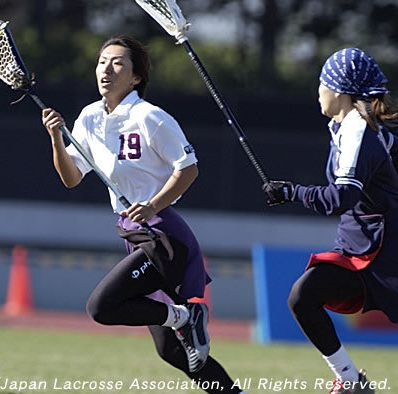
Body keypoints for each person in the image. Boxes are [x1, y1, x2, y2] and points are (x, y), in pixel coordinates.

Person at [42, 35, 245, 394]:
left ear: (136, 77)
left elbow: (189, 168)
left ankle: (185, 316)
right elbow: (71, 178)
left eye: (118, 62)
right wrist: (57, 139)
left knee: (101, 306)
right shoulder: (89, 117)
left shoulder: (150, 117)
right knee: (170, 350)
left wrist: (153, 205)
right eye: (103, 61)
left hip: (163, 235)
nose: (107, 68)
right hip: (134, 234)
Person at [263, 47, 398, 394]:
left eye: (321, 83)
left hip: (387, 251)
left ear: (338, 90)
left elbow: (341, 198)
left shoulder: (358, 129)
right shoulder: (346, 126)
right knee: (303, 295)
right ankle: (351, 381)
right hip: (359, 249)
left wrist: (292, 192)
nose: (318, 91)